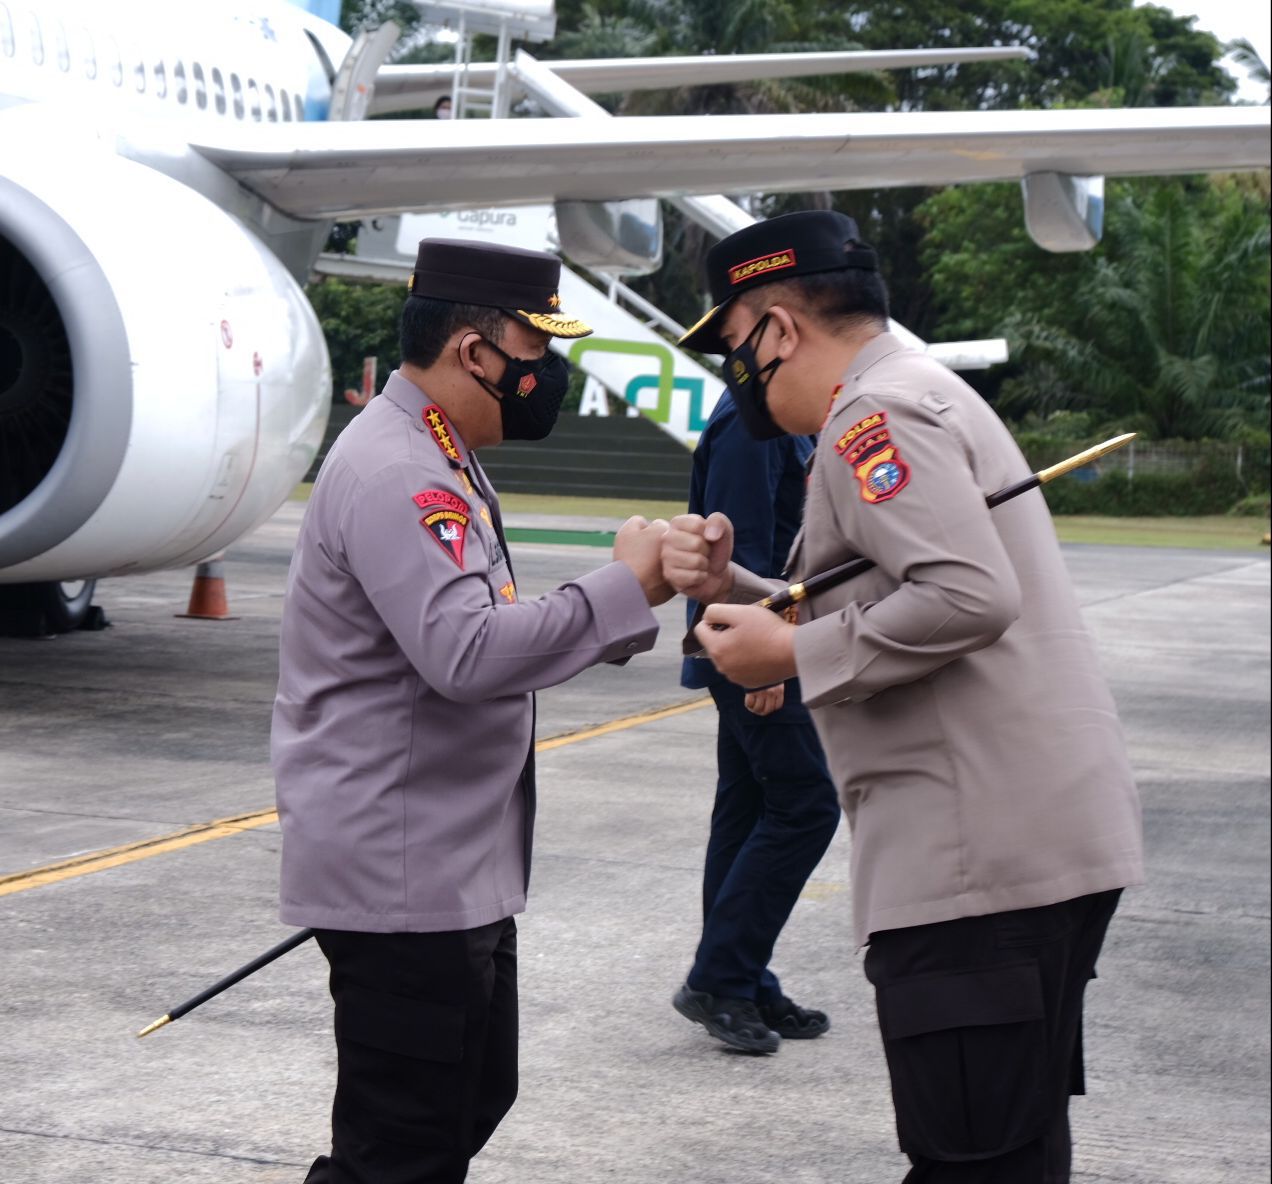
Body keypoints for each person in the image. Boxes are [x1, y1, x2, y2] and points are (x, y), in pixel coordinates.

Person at [662, 210, 1144, 1182]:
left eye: (739, 349)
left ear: (780, 329)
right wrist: (738, 593)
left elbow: (968, 594)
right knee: (1009, 1147)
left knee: (970, 1157)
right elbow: (897, 583)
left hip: (975, 865)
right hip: (1022, 848)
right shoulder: (912, 394)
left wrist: (792, 652)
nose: (742, 380)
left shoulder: (873, 416)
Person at [272, 238, 671, 1184]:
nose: (547, 374)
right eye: (535, 349)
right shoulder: (400, 471)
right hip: (405, 871)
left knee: (462, 1101)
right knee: (405, 1144)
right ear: (472, 351)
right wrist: (622, 589)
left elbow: (476, 628)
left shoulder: (437, 455)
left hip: (448, 860)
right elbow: (465, 652)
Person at [672, 387, 841, 1055]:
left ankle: (742, 977)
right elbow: (729, 554)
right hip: (752, 649)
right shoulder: (754, 425)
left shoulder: (774, 417)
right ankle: (723, 977)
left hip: (756, 645)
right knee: (806, 805)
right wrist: (766, 664)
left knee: (746, 812)